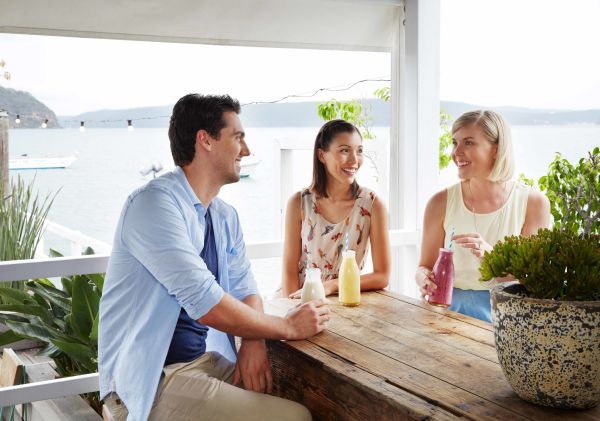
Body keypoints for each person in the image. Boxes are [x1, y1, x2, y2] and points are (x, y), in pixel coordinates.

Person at [98, 94, 329, 421]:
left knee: (306, 394)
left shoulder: (223, 216)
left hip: (205, 364)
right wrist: (287, 327)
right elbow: (206, 302)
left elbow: (247, 291)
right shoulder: (154, 206)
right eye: (238, 137)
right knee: (295, 417)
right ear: (205, 140)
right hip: (152, 380)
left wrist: (254, 336)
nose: (246, 150)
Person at [415, 110, 550, 322]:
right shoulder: (439, 203)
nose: (456, 152)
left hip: (508, 317)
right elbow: (424, 266)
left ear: (496, 149)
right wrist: (423, 278)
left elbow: (532, 283)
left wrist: (492, 258)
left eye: (468, 143)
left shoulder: (533, 204)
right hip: (445, 313)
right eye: (454, 143)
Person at [281, 119, 390, 299]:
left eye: (359, 151)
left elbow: (382, 276)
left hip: (347, 299)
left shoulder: (371, 204)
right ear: (322, 155)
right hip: (302, 299)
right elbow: (289, 271)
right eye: (344, 151)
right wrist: (295, 309)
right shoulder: (299, 203)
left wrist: (331, 285)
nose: (355, 160)